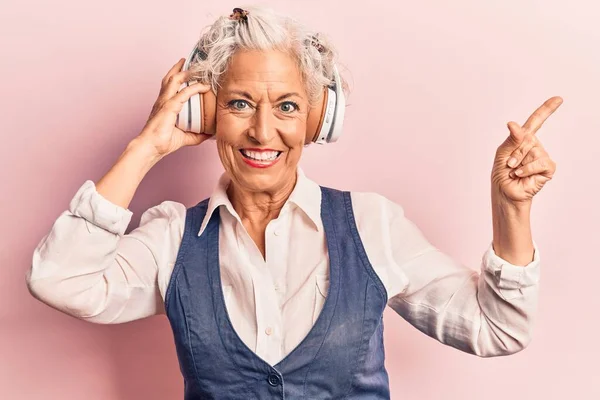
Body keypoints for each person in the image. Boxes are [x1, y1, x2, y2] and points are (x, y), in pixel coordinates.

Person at [25, 5, 562, 399]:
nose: (263, 132)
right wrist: (145, 148)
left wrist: (510, 207)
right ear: (205, 116)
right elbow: (59, 279)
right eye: (238, 104)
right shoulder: (171, 239)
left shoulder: (371, 225)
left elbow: (499, 329)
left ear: (317, 119)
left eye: (286, 105)